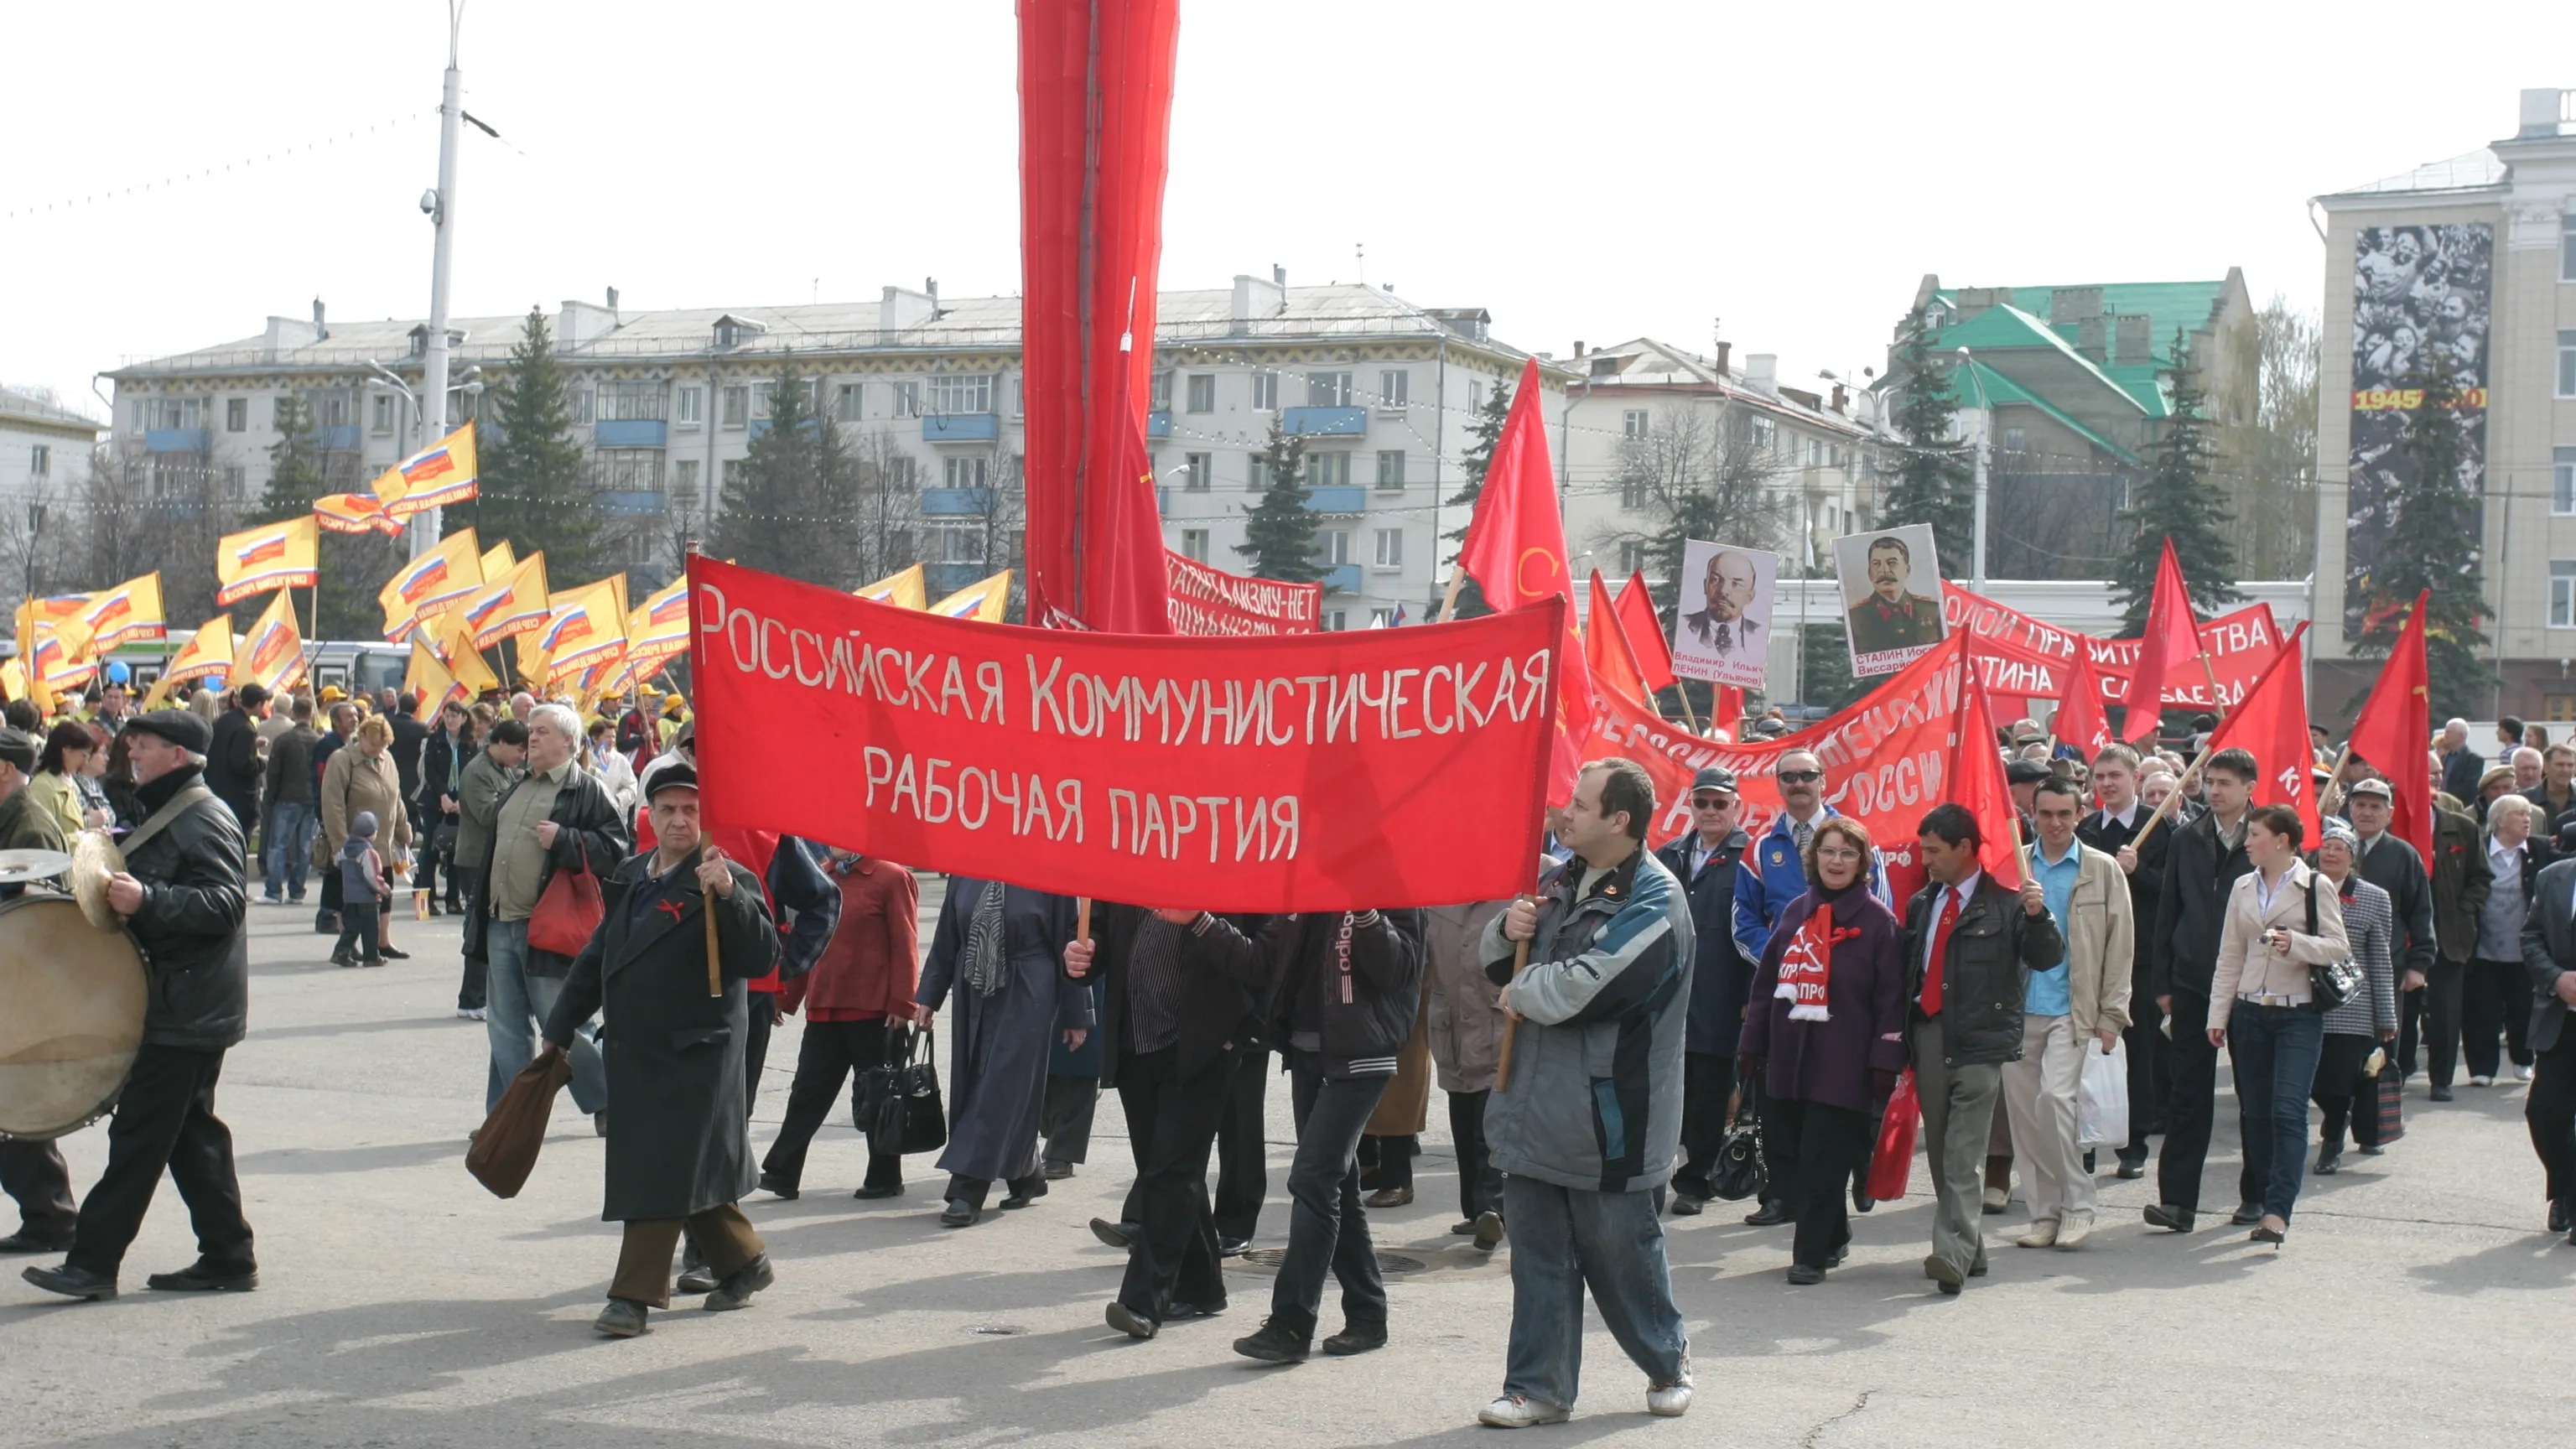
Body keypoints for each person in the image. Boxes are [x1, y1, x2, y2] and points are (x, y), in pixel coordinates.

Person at [1474, 758, 1694, 1427]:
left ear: (1618, 820)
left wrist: (1520, 992)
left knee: (1623, 1258)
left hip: (1610, 1122)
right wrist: (1505, 931)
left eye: (1580, 803)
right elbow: (1497, 966)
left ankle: (1667, 1361)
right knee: (1538, 1258)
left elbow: (1587, 987)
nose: (1564, 813)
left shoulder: (1656, 901)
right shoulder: (1556, 882)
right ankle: (1536, 1387)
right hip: (1533, 1109)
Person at [537, 760, 782, 1337]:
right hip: (637, 1052)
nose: (679, 820)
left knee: (658, 1171)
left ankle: (632, 1297)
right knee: (684, 1168)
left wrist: (730, 897)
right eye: (668, 809)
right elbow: (601, 955)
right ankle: (745, 1262)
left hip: (699, 1053)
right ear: (649, 815)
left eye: (691, 810)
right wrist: (559, 1026)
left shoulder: (726, 874)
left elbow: (763, 957)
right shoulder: (633, 873)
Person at [23, 710, 257, 1301]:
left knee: (139, 1135)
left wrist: (148, 898)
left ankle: (92, 1263)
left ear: (177, 755)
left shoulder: (203, 816)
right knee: (191, 1136)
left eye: (144, 745)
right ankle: (228, 1254)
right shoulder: (173, 809)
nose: (132, 753)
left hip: (187, 1007)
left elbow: (225, 904)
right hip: (186, 1001)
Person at [1185, 906, 1425, 1364]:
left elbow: (1398, 971)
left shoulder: (1393, 889)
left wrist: (1367, 914)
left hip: (1362, 1057)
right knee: (1336, 1187)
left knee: (1313, 1181)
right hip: (1307, 1053)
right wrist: (1199, 920)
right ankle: (1368, 1314)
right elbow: (1259, 961)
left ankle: (1291, 1324)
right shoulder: (1306, 894)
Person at [1067, 901, 1272, 1337]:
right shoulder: (1127, 868)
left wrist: (1243, 1031)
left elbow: (1268, 956)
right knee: (1163, 1170)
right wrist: (1084, 952)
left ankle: (1142, 1302)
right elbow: (1097, 928)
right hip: (1136, 1042)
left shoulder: (1231, 871)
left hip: (1203, 1048)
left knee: (1171, 1172)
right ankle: (1203, 1288)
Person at [1738, 816, 1907, 1285]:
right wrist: (1752, 1042)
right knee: (1792, 1153)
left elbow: (1891, 1000)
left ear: (1862, 862)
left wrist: (1884, 1061)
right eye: (1829, 851)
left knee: (1822, 1157)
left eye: (1848, 853)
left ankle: (1809, 1256)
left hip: (1843, 1063)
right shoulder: (1795, 911)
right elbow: (1766, 984)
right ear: (1814, 858)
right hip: (1788, 1058)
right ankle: (1833, 1235)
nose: (1837, 861)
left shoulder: (1878, 922)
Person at [1903, 802, 2061, 1293]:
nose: (1926, 859)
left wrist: (2038, 917)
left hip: (1980, 1040)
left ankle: (1950, 1254)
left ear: (1965, 847)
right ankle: (1972, 1249)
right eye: (1923, 849)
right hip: (1929, 1035)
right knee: (1940, 1151)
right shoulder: (1922, 903)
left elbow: (2046, 957)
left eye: (1934, 850)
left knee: (1963, 1152)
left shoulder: (2009, 902)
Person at [475, 705, 627, 1121]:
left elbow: (617, 852)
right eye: (531, 730)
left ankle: (609, 1101)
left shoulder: (588, 790)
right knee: (505, 1028)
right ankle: (507, 1118)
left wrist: (566, 839)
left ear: (568, 741)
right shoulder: (518, 785)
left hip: (549, 928)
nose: (533, 738)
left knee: (564, 1024)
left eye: (542, 731)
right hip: (501, 922)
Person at [2207, 805, 2348, 1244]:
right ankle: (2260, 1194)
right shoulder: (2242, 886)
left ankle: (2277, 1211)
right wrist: (2218, 1015)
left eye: (2255, 835)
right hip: (2250, 1012)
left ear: (2281, 840)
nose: (2247, 842)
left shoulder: (2315, 885)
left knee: (2288, 1110)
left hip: (2298, 1014)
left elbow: (2338, 947)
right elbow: (2231, 954)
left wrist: (2295, 943)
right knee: (2256, 1113)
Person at [912, 877, 1088, 1227]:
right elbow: (947, 937)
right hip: (972, 987)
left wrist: (1076, 1012)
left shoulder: (1051, 874)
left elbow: (1069, 945)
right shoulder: (965, 872)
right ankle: (1026, 1175)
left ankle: (968, 1188)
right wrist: (929, 997)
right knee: (974, 1086)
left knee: (1001, 1088)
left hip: (1029, 988)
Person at [2004, 777, 2131, 1249]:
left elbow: (2121, 945)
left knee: (2055, 1102)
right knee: (2025, 1121)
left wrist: (2111, 1014)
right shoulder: (2014, 864)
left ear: (2080, 814)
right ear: (2033, 815)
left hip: (2073, 1010)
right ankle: (2044, 1215)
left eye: (2064, 814)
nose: (2055, 823)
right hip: (2018, 1010)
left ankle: (2078, 1206)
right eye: (2046, 814)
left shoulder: (2102, 869)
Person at [2147, 747, 2264, 1233]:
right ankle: (2177, 1202)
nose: (2214, 791)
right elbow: (2168, 911)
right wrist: (2164, 982)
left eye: (2225, 783)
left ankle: (2257, 1196)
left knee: (2254, 1092)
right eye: (2210, 781)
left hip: (2254, 984)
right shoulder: (2187, 837)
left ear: (2249, 788)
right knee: (2188, 1093)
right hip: (2194, 982)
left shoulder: (2268, 836)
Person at [762, 849, 920, 1200]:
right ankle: (782, 1172)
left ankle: (884, 1177)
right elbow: (808, 945)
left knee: (877, 1097)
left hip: (874, 1011)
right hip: (824, 1008)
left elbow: (905, 942)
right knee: (806, 1093)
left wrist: (903, 1004)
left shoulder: (892, 877)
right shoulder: (822, 876)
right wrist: (785, 997)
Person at [1655, 766, 1752, 1213]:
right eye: (1702, 802)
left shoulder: (1750, 857)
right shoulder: (1668, 855)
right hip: (1668, 995)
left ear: (1737, 806)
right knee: (1667, 1090)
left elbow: (1758, 929)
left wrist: (1751, 995)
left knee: (1710, 1094)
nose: (1710, 810)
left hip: (1722, 994)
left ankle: (1697, 1180)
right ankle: (1659, 1174)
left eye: (1720, 803)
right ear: (1690, 804)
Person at [0, 727, 78, 1257]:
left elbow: (44, 917)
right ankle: (49, 1214)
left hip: (20, 986)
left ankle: (51, 1216)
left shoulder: (29, 824)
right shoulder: (13, 816)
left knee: (16, 1106)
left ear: (4, 769)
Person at [2078, 744, 2169, 1178]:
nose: (2107, 784)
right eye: (2100, 777)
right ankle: (2085, 1143)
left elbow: (2174, 893)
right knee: (2084, 1053)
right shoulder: (2086, 829)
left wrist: (2140, 873)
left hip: (2141, 959)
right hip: (2090, 958)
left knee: (2136, 1052)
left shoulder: (2160, 827)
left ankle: (2134, 1145)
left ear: (2135, 779)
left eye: (2115, 775)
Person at [2310, 818, 2399, 1173]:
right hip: (2307, 998)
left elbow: (2380, 960)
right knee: (2313, 1079)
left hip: (2353, 1005)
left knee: (2339, 1080)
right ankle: (2337, 1117)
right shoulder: (2301, 889)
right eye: (2326, 847)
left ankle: (2332, 1141)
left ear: (2353, 857)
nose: (2331, 854)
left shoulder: (2374, 898)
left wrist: (2386, 1016)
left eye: (2340, 848)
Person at [1423, 896, 1512, 1245]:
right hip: (1452, 1028)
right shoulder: (1438, 897)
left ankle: (1493, 1210)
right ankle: (1476, 1211)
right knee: (1462, 1120)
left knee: (1489, 1125)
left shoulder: (1523, 893)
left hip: (1497, 1026)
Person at [319, 715, 415, 963]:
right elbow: (333, 805)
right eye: (373, 745)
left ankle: (383, 941)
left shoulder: (387, 759)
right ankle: (349, 945)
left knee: (384, 892)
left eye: (383, 746)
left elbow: (396, 798)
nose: (378, 751)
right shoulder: (342, 760)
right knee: (351, 899)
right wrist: (340, 844)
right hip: (354, 846)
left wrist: (404, 830)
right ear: (361, 737)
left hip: (383, 842)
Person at [2518, 840, 2576, 1243]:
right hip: (2561, 1018)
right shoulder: (2553, 877)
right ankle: (2565, 1187)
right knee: (2544, 1112)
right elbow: (2531, 936)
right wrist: (2556, 978)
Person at [2466, 795, 2545, 1087]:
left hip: (2524, 947)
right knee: (2481, 1010)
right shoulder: (2479, 849)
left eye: (2528, 814)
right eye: (2519, 814)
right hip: (2484, 944)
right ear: (2499, 820)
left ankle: (2524, 1059)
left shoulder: (2539, 849)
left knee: (2523, 1008)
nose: (2526, 819)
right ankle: (2482, 1067)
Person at [2419, 785, 2492, 1098]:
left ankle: (2441, 1079)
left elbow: (2482, 878)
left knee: (2445, 1011)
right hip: (2406, 933)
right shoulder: (2392, 827)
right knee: (2400, 1010)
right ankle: (2395, 1074)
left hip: (2450, 933)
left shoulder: (2462, 827)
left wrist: (2464, 910)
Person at [452, 718, 524, 1025]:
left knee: (491, 929)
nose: (522, 756)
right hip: (476, 858)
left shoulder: (502, 769)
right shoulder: (478, 771)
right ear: (502, 743)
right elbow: (487, 814)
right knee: (479, 931)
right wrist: (521, 793)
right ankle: (471, 1000)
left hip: (493, 857)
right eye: (519, 749)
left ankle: (482, 997)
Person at [258, 699, 322, 906]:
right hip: (310, 798)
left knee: (278, 845)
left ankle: (274, 890)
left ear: (293, 713)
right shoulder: (318, 740)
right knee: (304, 847)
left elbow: (274, 771)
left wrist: (271, 796)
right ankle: (296, 891)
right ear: (311, 714)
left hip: (286, 797)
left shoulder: (284, 740)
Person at [414, 701, 471, 916]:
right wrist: (443, 795)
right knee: (429, 851)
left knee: (455, 851)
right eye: (447, 716)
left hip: (459, 802)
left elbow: (472, 772)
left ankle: (453, 900)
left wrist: (462, 800)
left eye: (454, 716)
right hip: (435, 800)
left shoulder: (470, 742)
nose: (450, 720)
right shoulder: (434, 740)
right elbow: (429, 771)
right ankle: (424, 903)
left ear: (464, 718)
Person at [1844, 534, 1942, 655]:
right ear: (1869, 573)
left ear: (1907, 570)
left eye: (1892, 563)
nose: (1884, 571)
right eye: (1876, 564)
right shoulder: (1855, 617)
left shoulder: (1933, 610)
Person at [308, 700, 356, 934]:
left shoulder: (353, 746)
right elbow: (321, 783)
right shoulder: (328, 746)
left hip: (349, 814)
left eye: (356, 715)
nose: (354, 719)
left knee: (344, 868)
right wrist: (324, 816)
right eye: (349, 716)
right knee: (334, 867)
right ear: (336, 721)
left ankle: (341, 915)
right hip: (332, 814)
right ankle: (327, 915)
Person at [204, 683, 267, 835]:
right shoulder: (245, 728)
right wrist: (262, 762)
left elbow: (224, 747)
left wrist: (252, 745)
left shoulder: (224, 720)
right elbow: (242, 764)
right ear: (259, 704)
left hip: (216, 789)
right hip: (237, 798)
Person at [1680, 548, 1763, 664]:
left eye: (1736, 584)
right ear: (1705, 586)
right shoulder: (1682, 627)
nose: (1723, 591)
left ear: (1750, 596)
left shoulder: (1761, 635)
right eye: (1715, 580)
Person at [331, 811, 389, 969]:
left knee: (351, 928)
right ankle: (371, 958)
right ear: (371, 833)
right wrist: (384, 889)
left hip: (349, 897)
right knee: (370, 929)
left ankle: (341, 952)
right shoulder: (368, 852)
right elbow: (372, 876)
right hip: (367, 898)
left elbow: (336, 862)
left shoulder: (345, 850)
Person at [26, 719, 96, 839]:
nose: (85, 763)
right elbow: (41, 840)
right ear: (66, 750)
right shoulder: (42, 787)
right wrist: (83, 837)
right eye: (83, 755)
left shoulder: (72, 784)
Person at [584, 716, 638, 819]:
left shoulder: (621, 761)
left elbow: (632, 787)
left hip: (612, 816)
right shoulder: (585, 758)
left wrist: (617, 800)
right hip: (587, 815)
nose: (612, 740)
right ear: (595, 739)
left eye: (614, 737)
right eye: (608, 737)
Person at [2437, 718, 2483, 802]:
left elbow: (2470, 788)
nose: (2445, 735)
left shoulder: (2473, 760)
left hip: (2459, 805)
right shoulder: (2443, 757)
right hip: (2440, 803)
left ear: (2461, 736)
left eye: (2449, 732)